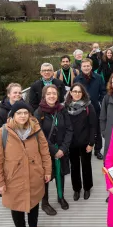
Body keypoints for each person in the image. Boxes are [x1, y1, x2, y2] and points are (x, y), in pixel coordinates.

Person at [0, 101, 51, 227]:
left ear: (29, 115)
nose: (23, 116)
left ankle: (33, 226)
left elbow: (44, 151)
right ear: (13, 115)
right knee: (16, 207)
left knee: (34, 203)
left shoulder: (36, 130)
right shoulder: (3, 132)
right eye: (19, 113)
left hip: (34, 175)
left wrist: (47, 171)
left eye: (25, 113)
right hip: (13, 178)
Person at [34, 84, 74, 213]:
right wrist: (54, 150)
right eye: (49, 93)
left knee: (60, 174)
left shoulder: (62, 110)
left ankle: (60, 197)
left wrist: (62, 149)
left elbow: (69, 129)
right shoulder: (39, 112)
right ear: (44, 96)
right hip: (46, 151)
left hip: (61, 149)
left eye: (54, 93)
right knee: (45, 177)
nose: (52, 96)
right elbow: (39, 135)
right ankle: (44, 203)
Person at [65, 83, 97, 201]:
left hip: (85, 142)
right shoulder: (65, 107)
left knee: (86, 165)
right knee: (74, 166)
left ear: (83, 93)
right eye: (74, 91)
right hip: (71, 142)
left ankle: (87, 187)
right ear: (71, 93)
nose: (77, 94)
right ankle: (76, 189)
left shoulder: (88, 107)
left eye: (79, 92)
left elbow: (93, 125)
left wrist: (91, 143)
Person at [74, 58, 106, 160]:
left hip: (95, 107)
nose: (86, 68)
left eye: (88, 66)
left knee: (96, 129)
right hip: (81, 109)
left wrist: (100, 101)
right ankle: (83, 148)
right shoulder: (77, 80)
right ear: (81, 67)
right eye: (84, 66)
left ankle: (97, 150)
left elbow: (103, 91)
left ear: (91, 67)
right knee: (82, 129)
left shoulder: (98, 78)